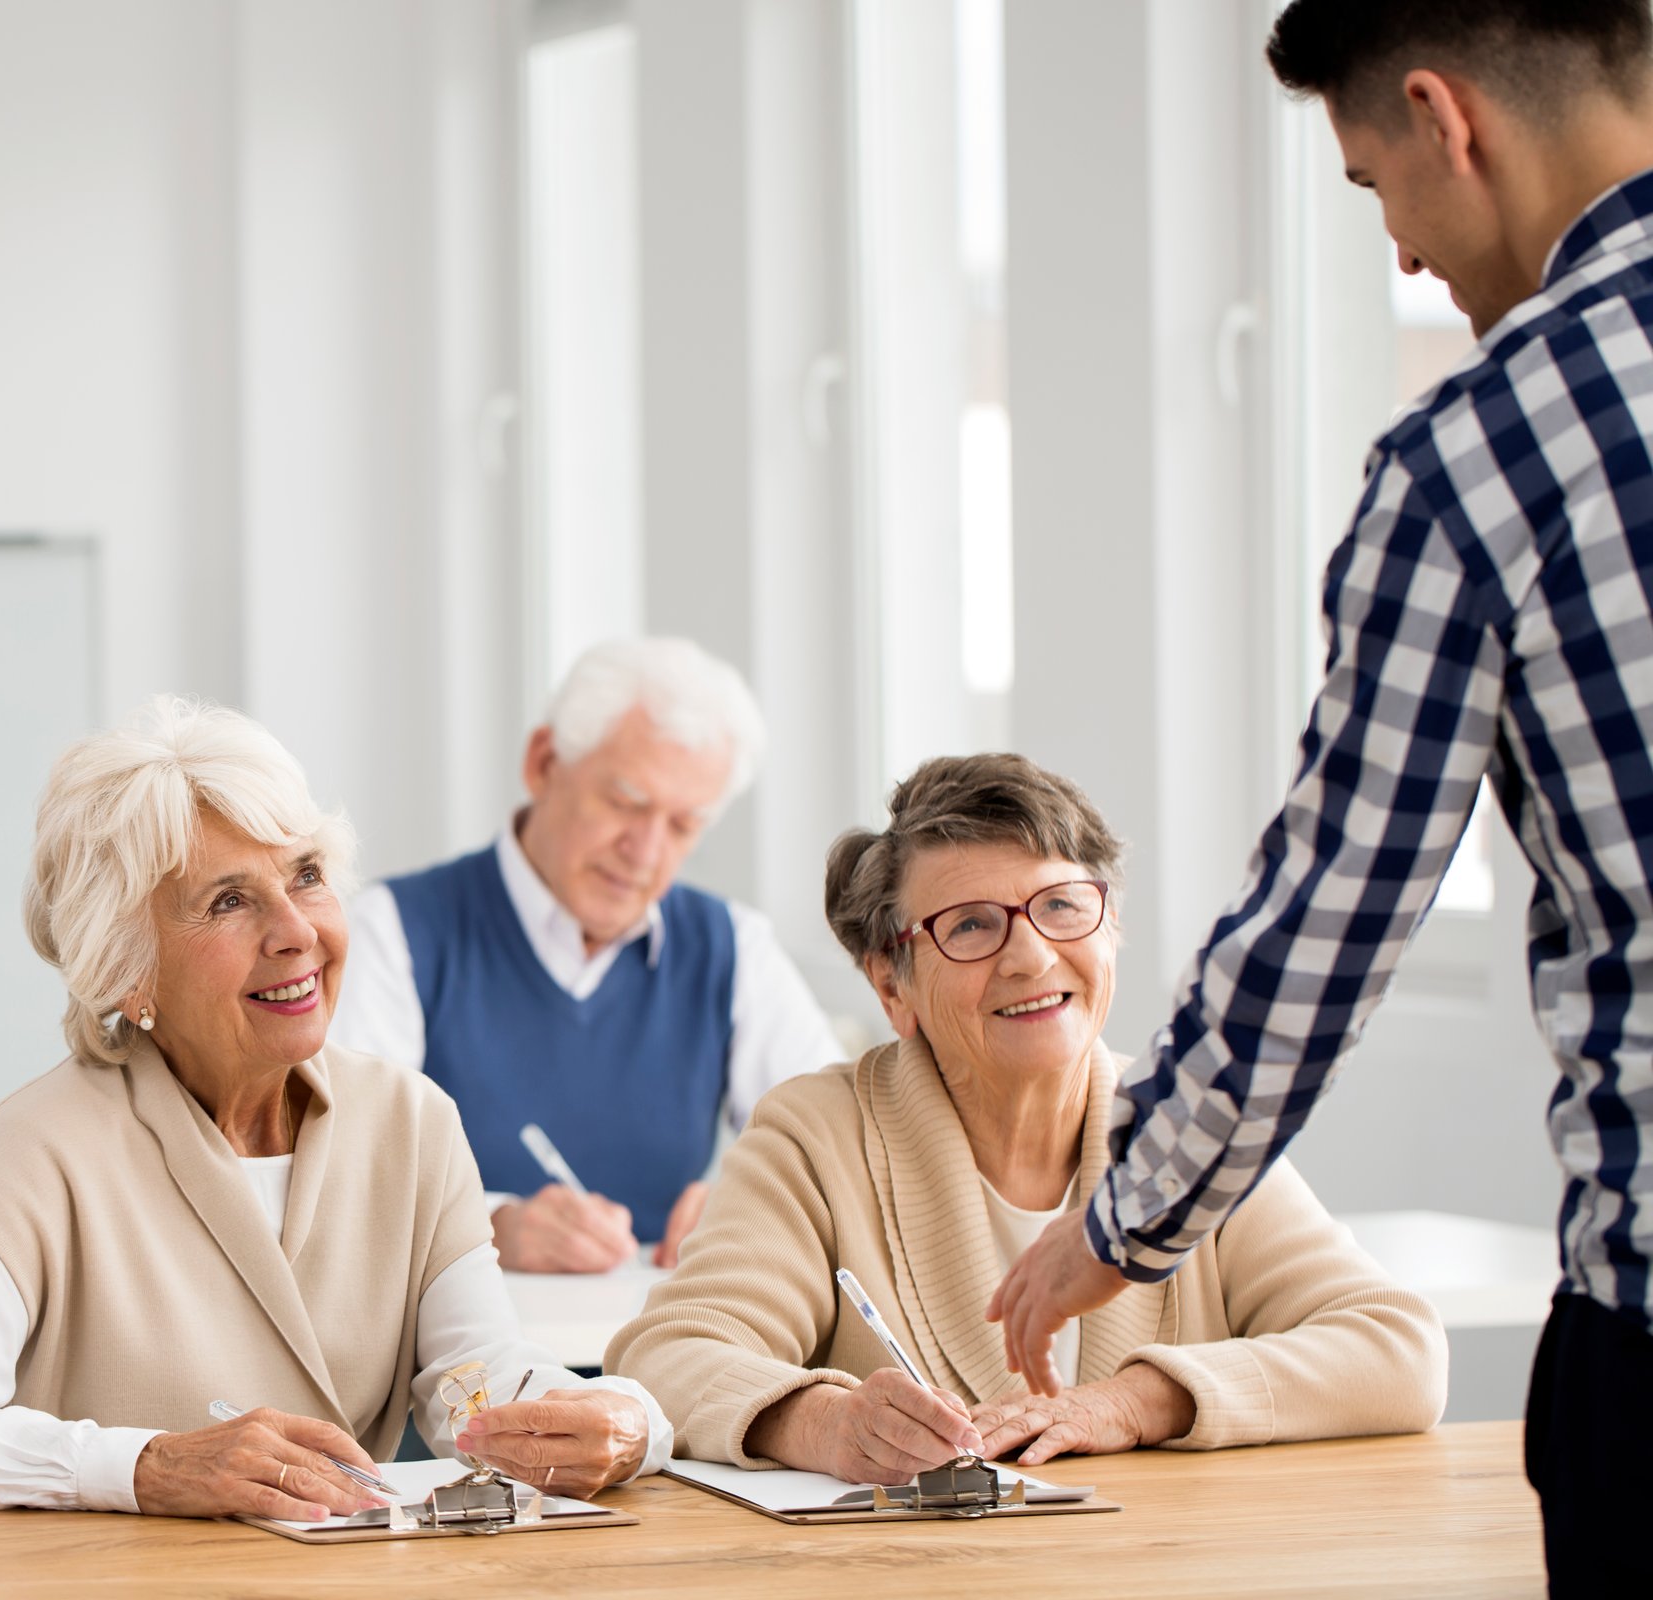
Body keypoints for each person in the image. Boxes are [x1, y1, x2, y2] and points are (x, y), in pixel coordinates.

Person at [984, 4, 1653, 1584]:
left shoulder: (1484, 460)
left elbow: (1328, 926)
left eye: (1371, 189)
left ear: (1445, 116)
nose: (1409, 259)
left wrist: (1115, 1229)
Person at [0, 696, 670, 1518]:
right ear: (128, 971)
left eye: (305, 875)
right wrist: (144, 1467)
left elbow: (478, 1375)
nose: (295, 931)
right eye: (229, 901)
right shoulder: (41, 1145)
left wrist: (632, 1421)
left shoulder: (409, 1120)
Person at [607, 754, 1446, 1480]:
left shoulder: (1185, 1132)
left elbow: (1398, 1352)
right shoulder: (818, 1132)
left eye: (1063, 906)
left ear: (1110, 924)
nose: (1032, 955)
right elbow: (667, 1359)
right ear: (891, 985)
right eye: (970, 925)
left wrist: (1136, 1402)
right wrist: (821, 1424)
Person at [332, 638, 840, 1274]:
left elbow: (837, 1151)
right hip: (464, 1355)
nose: (646, 851)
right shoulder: (392, 932)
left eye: (684, 825)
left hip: (664, 1349)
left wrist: (756, 1206)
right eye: (625, 802)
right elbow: (345, 1180)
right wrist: (486, 1226)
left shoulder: (734, 947)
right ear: (543, 763)